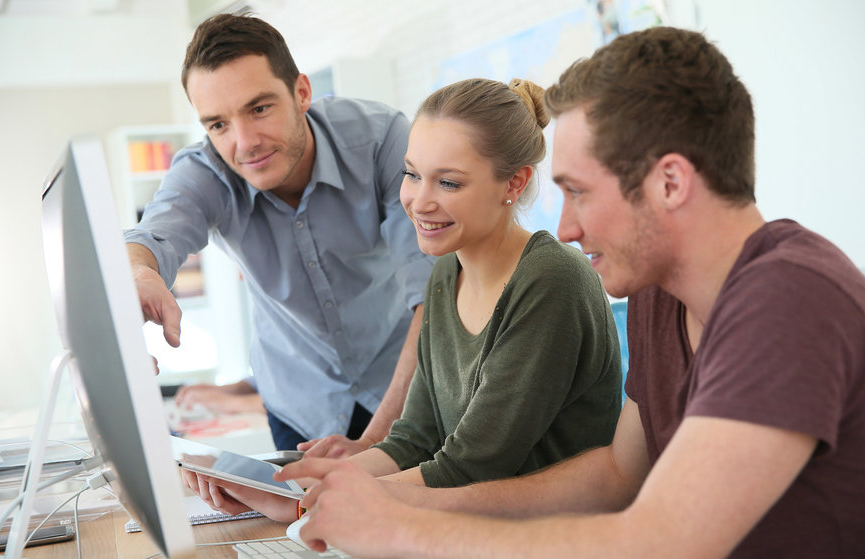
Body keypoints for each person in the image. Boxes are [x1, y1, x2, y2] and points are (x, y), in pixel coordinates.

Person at [270, 26, 865, 558]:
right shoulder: (660, 294)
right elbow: (618, 475)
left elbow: (663, 539)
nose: (565, 227)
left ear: (670, 183)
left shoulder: (788, 301)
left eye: (580, 192)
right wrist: (372, 495)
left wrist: (405, 525)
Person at [182, 78, 623, 510]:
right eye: (412, 174)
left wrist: (313, 504)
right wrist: (288, 489)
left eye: (448, 183)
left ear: (513, 183)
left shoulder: (550, 281)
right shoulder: (446, 273)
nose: (418, 201)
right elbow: (414, 438)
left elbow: (472, 466)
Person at [124, 13, 435, 451]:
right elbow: (152, 235)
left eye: (259, 108)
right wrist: (141, 276)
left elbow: (434, 294)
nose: (244, 141)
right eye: (218, 124)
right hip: (298, 405)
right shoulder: (205, 172)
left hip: (404, 384)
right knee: (298, 520)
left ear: (302, 92)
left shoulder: (381, 140)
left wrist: (377, 444)